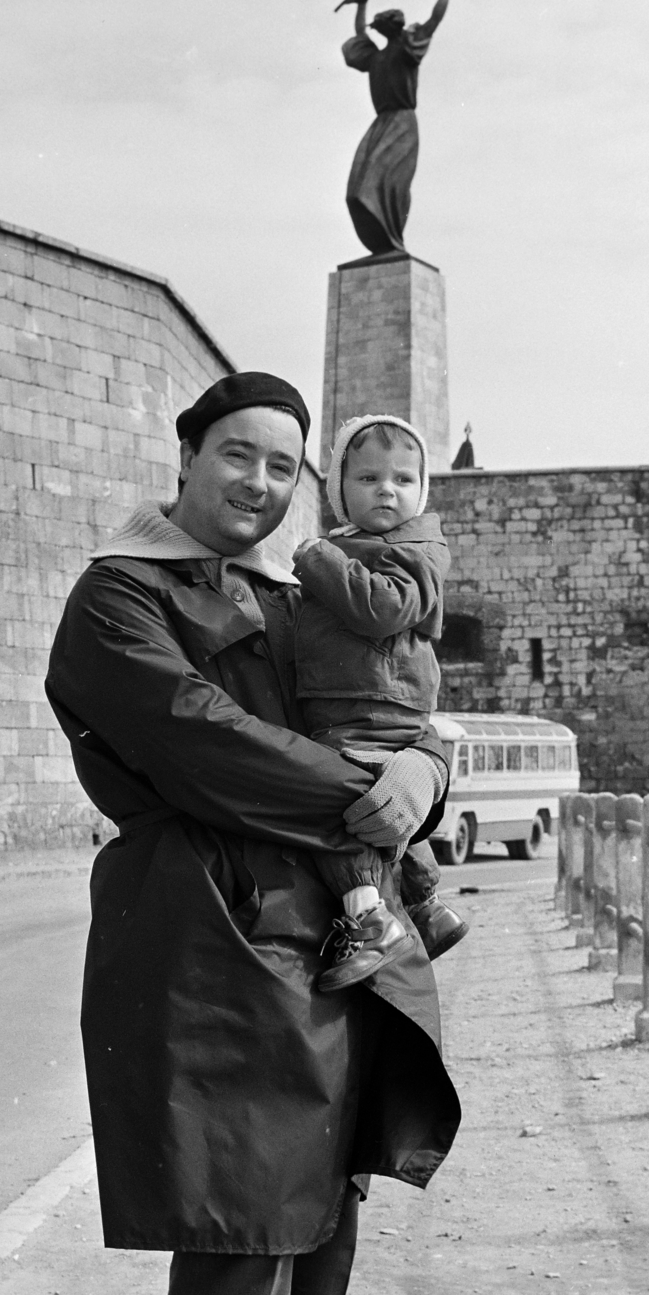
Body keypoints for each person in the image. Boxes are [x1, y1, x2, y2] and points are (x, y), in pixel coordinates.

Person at [45, 371, 462, 1295]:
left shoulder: (287, 595)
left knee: (319, 1223)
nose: (261, 483)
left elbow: (388, 697)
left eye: (285, 466)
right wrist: (374, 794)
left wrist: (429, 767)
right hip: (214, 945)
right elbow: (206, 742)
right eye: (239, 455)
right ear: (185, 458)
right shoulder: (119, 599)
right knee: (242, 1238)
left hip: (324, 947)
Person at [293, 414, 469, 991]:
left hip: (376, 704)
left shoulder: (415, 548)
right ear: (339, 489)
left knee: (333, 800)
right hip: (361, 699)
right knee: (383, 805)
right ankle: (425, 907)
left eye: (402, 479)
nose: (386, 490)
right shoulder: (362, 545)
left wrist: (319, 561)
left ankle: (369, 917)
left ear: (423, 490)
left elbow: (384, 609)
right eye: (368, 478)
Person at [340, 0, 453, 255]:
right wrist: (361, 4)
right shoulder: (375, 57)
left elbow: (434, 20)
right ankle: (383, 241)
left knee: (388, 181)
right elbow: (359, 34)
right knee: (357, 191)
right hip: (382, 124)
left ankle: (393, 239)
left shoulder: (407, 49)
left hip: (402, 124)